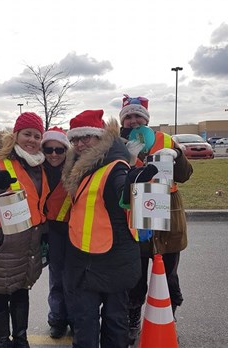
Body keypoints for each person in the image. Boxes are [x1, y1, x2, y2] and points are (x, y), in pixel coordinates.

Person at [61, 110, 158, 348]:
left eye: (86, 137)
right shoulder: (79, 165)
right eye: (75, 139)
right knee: (84, 322)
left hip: (113, 260)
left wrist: (133, 185)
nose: (80, 144)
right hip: (83, 258)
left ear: (101, 137)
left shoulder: (115, 166)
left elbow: (121, 187)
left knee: (115, 323)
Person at [118, 94, 193, 345]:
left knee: (168, 274)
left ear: (147, 119)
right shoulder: (117, 144)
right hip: (135, 216)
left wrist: (176, 154)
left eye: (138, 115)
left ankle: (167, 318)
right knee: (136, 276)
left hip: (167, 217)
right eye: (128, 116)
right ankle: (132, 320)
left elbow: (184, 176)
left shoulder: (166, 140)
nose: (133, 120)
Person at [0, 112, 49, 348]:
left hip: (28, 245)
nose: (32, 140)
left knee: (21, 292)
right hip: (0, 245)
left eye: (37, 136)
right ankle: (3, 343)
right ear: (15, 135)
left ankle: (21, 340)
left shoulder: (39, 164)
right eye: (27, 134)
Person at [40, 126, 72, 339]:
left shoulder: (77, 169)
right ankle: (58, 318)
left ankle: (78, 319)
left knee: (77, 280)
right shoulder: (36, 169)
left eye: (59, 150)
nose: (53, 154)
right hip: (51, 232)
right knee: (57, 278)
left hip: (76, 230)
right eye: (49, 149)